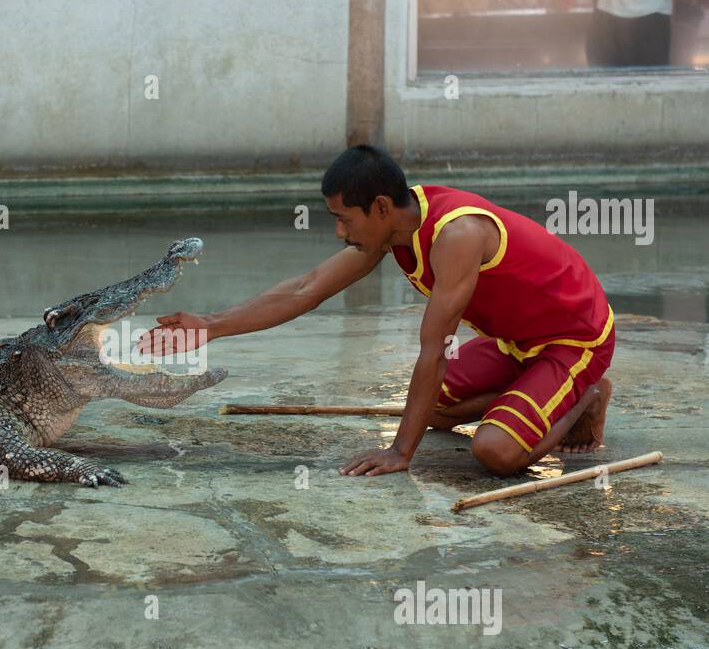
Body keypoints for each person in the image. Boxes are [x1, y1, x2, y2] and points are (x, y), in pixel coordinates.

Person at [137, 146, 615, 479]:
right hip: (515, 340)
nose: (340, 232)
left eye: (345, 218)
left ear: (381, 206)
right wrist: (213, 326)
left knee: (495, 452)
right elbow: (306, 289)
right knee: (436, 410)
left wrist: (400, 452)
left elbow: (435, 351)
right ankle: (530, 398)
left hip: (573, 338)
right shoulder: (394, 228)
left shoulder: (457, 236)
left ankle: (586, 397)